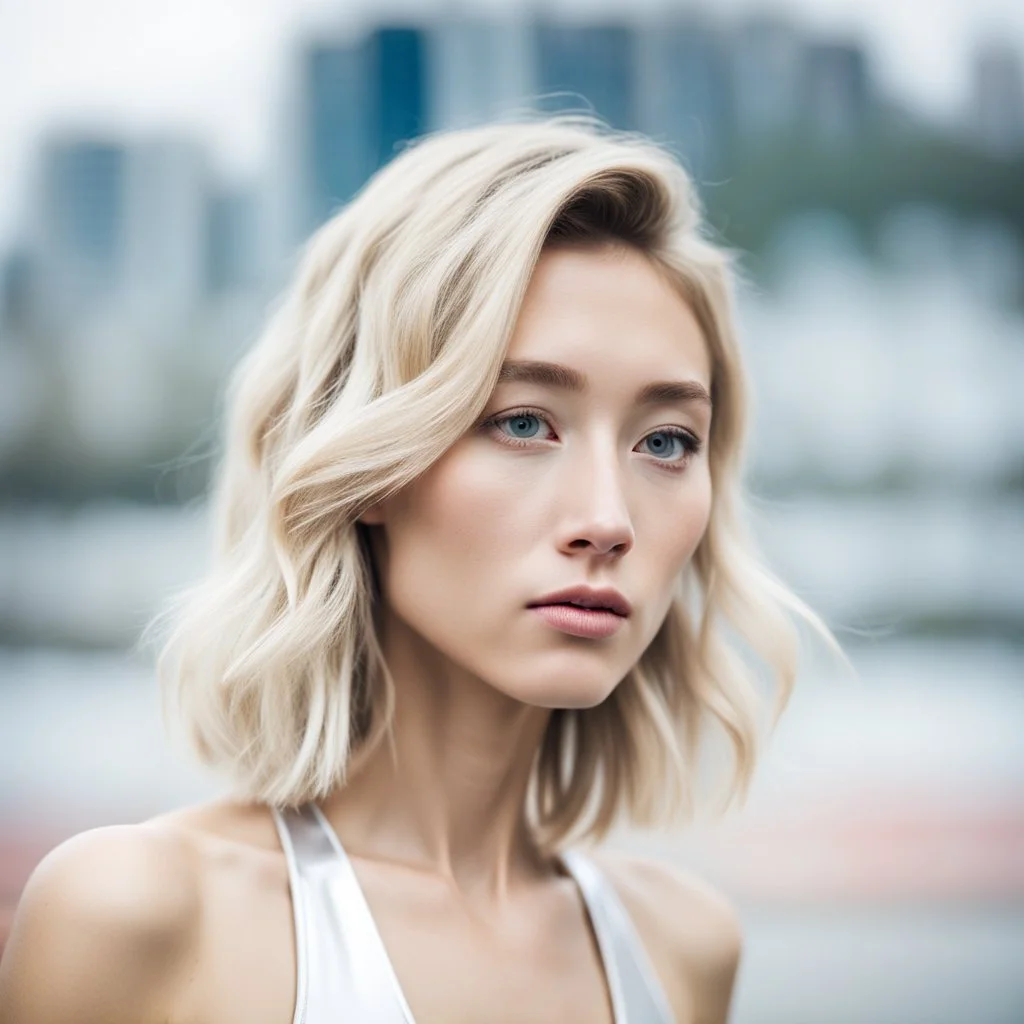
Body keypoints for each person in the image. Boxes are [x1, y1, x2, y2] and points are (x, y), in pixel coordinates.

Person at [0, 116, 839, 1024]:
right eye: (524, 422)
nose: (608, 520)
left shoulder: (683, 947)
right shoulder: (139, 918)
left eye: (666, 441)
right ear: (369, 468)